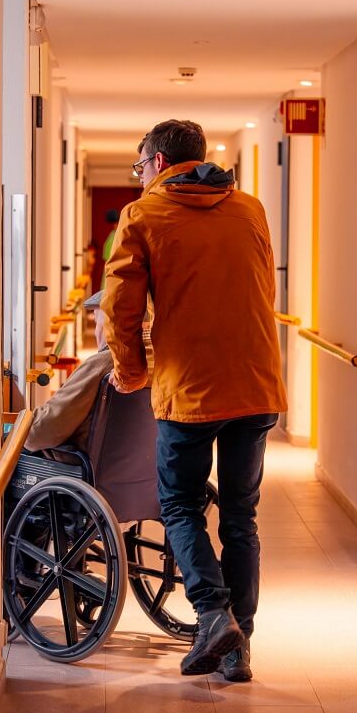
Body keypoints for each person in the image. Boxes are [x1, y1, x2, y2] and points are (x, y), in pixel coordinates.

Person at [102, 119, 286, 683]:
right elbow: (261, 289)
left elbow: (120, 308)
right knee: (240, 517)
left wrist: (129, 372)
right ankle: (239, 649)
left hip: (189, 388)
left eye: (140, 168)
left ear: (156, 163)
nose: (139, 178)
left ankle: (212, 614)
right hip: (256, 385)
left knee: (179, 504)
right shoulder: (250, 209)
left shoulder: (142, 216)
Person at [23, 290, 114, 452]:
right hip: (144, 475)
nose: (94, 332)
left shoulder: (100, 365)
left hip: (80, 469)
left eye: (97, 323)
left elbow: (39, 434)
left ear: (111, 326)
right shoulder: (161, 364)